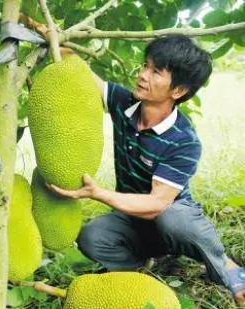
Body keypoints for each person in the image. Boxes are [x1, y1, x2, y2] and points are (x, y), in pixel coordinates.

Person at [46, 35, 245, 306]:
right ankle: (141, 273)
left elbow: (156, 204)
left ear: (178, 91)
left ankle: (228, 268)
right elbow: (82, 73)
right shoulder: (124, 103)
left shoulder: (183, 140)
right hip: (132, 218)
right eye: (145, 66)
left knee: (175, 219)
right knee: (91, 237)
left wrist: (97, 193)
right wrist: (47, 33)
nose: (142, 75)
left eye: (155, 72)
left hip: (170, 217)